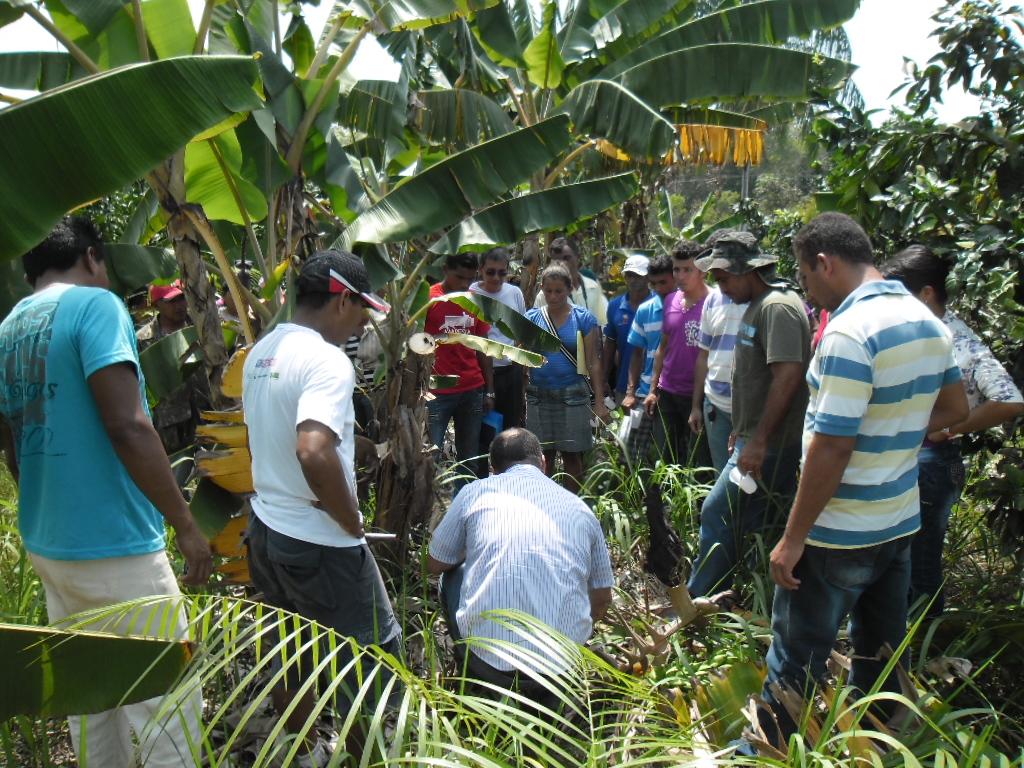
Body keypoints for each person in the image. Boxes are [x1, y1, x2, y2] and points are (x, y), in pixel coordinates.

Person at [0, 216, 213, 768]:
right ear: (93, 257)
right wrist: (185, 524)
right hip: (116, 547)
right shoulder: (96, 307)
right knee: (166, 704)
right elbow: (129, 425)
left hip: (50, 545)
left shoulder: (9, 327)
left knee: (91, 696)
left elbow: (13, 441)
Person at [761, 214, 968, 745]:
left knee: (794, 664)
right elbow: (953, 408)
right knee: (878, 658)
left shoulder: (849, 333)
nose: (807, 289)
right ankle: (872, 748)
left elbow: (832, 445)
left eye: (806, 276)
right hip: (898, 522)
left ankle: (769, 753)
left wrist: (793, 539)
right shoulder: (927, 321)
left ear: (825, 264)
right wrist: (892, 429)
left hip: (837, 534)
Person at [242, 250, 401, 767]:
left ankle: (304, 753)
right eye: (361, 309)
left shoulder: (263, 351)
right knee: (371, 662)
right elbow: (312, 447)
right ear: (341, 299)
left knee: (295, 653)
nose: (363, 322)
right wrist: (350, 519)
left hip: (266, 528)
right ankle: (369, 758)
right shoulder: (328, 360)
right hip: (321, 541)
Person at [881, 245, 1024, 616]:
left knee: (921, 558)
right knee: (907, 554)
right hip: (917, 459)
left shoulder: (953, 339)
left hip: (931, 463)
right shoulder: (924, 331)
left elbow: (1010, 400)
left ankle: (925, 640)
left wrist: (951, 424)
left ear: (926, 294)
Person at [427, 428, 614, 704]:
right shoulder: (580, 509)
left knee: (451, 573)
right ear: (543, 463)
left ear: (493, 468)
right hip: (559, 667)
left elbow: (433, 563)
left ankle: (474, 670)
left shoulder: (474, 493)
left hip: (490, 661)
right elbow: (601, 600)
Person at [687, 231, 810, 599]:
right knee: (746, 519)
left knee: (715, 511)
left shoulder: (778, 307)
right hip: (753, 439)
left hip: (770, 445)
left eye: (723, 278)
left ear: (746, 271)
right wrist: (742, 430)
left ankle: (697, 598)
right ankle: (729, 596)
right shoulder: (760, 304)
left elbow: (788, 376)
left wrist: (757, 441)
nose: (720, 288)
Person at [524, 264, 609, 493]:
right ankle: (544, 501)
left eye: (559, 291)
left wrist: (599, 402)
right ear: (542, 289)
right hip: (539, 396)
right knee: (543, 457)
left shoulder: (583, 319)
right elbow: (522, 356)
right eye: (549, 291)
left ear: (569, 289)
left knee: (573, 456)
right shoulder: (531, 319)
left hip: (573, 394)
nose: (553, 296)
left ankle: (572, 504)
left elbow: (593, 362)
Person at [426, 252, 495, 492]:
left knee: (469, 460)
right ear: (445, 270)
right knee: (428, 456)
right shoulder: (429, 299)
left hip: (472, 389)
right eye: (459, 277)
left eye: (469, 278)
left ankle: (464, 512)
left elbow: (483, 347)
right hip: (437, 392)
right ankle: (422, 518)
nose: (465, 284)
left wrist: (490, 390)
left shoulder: (475, 300)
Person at [644, 240, 711, 467]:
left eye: (687, 270)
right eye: (676, 269)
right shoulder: (671, 300)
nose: (680, 276)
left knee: (697, 462)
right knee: (665, 459)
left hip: (699, 396)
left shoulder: (714, 303)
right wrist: (653, 389)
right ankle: (666, 502)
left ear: (702, 270)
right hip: (668, 392)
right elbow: (663, 347)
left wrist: (696, 405)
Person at [689, 231, 748, 473]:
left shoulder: (762, 301)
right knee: (721, 473)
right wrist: (696, 405)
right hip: (716, 404)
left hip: (749, 411)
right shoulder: (713, 301)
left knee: (746, 479)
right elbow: (704, 355)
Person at [137, 279, 210, 457]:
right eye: (172, 302)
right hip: (172, 421)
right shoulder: (144, 339)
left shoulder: (202, 326)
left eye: (182, 298)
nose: (179, 306)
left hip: (208, 410)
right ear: (157, 305)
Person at [471, 246, 527, 430]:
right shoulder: (471, 293)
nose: (496, 278)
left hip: (510, 372)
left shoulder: (514, 293)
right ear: (480, 271)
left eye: (501, 273)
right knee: (482, 429)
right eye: (490, 272)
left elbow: (522, 331)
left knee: (511, 427)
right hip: (479, 373)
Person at [603, 254, 651, 405]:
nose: (632, 280)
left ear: (648, 277)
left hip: (654, 389)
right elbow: (609, 346)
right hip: (623, 387)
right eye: (629, 275)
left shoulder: (659, 305)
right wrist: (603, 380)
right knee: (623, 428)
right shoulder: (615, 306)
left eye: (638, 276)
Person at [533, 236, 608, 324]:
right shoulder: (545, 295)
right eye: (557, 260)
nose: (562, 264)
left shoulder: (592, 286)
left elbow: (603, 323)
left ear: (578, 258)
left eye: (566, 258)